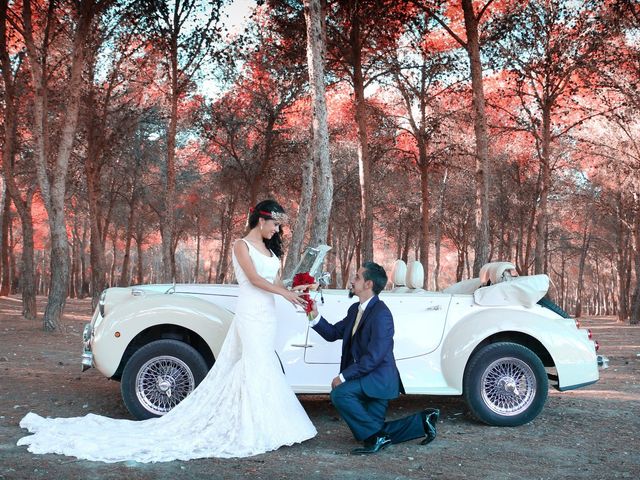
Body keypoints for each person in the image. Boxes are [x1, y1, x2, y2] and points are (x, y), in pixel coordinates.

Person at [17, 199, 317, 462]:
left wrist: (294, 288)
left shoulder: (270, 250)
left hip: (268, 316)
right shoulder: (242, 245)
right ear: (262, 220)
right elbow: (252, 280)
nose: (277, 231)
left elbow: (275, 283)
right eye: (275, 225)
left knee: (260, 363)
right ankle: (252, 426)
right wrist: (284, 294)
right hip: (251, 313)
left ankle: (263, 422)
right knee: (253, 364)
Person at [309, 261, 439, 454]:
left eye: (357, 277)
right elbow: (333, 333)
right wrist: (314, 316)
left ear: (368, 284)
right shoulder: (355, 310)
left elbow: (374, 357)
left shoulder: (381, 314)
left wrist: (343, 377)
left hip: (378, 381)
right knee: (370, 433)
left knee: (340, 393)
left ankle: (377, 437)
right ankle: (423, 421)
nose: (353, 281)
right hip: (367, 377)